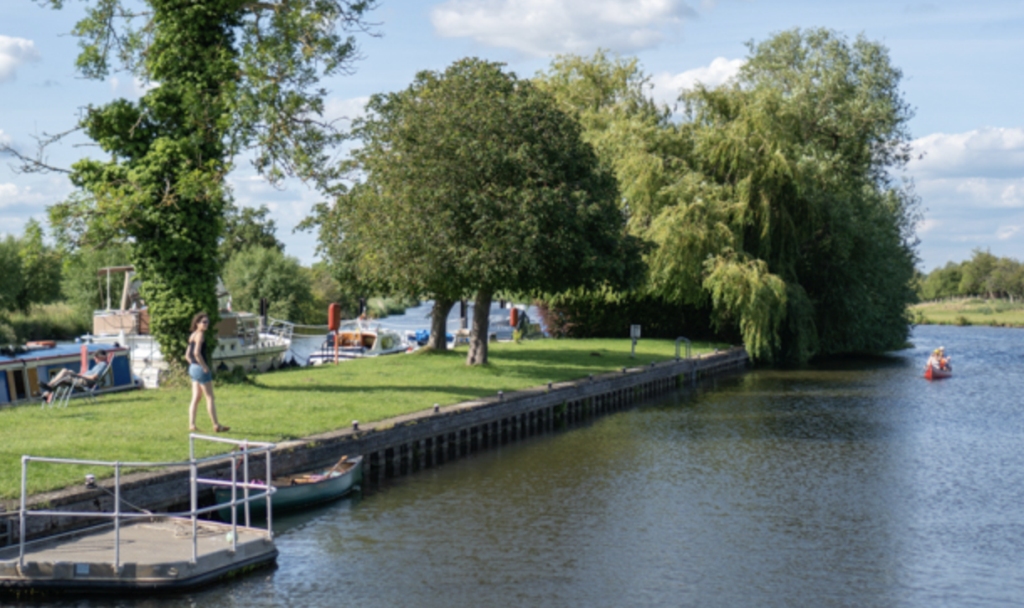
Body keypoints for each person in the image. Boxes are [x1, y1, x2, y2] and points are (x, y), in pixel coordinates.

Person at [186, 312, 229, 433]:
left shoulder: (192, 335)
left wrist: (193, 365)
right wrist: (204, 367)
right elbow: (196, 353)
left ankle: (192, 425)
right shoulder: (199, 335)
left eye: (207, 322)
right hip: (200, 368)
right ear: (197, 323)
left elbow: (187, 356)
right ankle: (216, 425)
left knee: (196, 397)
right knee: (210, 398)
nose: (207, 324)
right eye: (204, 322)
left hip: (193, 368)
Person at [41, 350, 111, 404]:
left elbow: (94, 377)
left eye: (96, 356)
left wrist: (81, 375)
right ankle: (47, 392)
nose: (94, 358)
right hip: (83, 379)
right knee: (67, 372)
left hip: (84, 381)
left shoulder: (102, 365)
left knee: (64, 372)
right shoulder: (100, 364)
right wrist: (80, 375)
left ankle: (49, 387)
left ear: (102, 357)